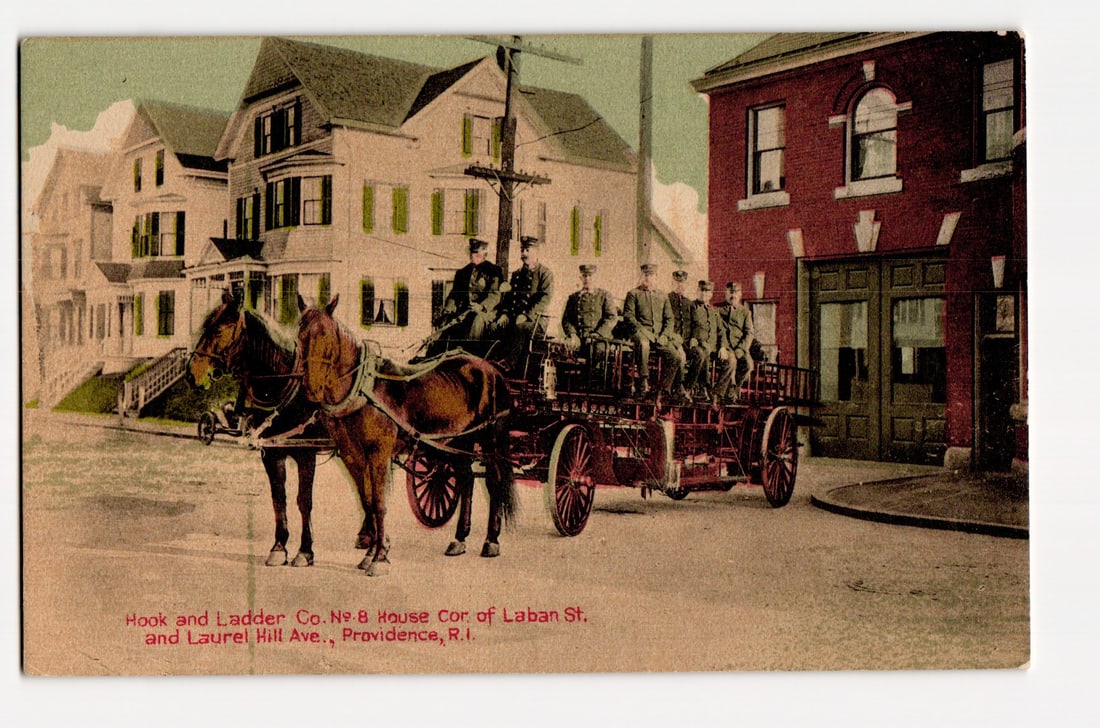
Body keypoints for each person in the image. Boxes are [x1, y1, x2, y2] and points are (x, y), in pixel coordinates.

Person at [621, 263, 685, 400]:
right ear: (641, 276)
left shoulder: (662, 296)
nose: (648, 278)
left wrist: (664, 335)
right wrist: (642, 330)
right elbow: (629, 316)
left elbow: (669, 319)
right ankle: (644, 380)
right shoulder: (633, 294)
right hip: (640, 333)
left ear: (656, 277)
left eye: (651, 275)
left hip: (659, 336)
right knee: (643, 344)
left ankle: (662, 389)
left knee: (676, 357)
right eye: (645, 275)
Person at [491, 236, 554, 367]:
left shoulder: (545, 273)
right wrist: (505, 313)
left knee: (519, 327)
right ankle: (492, 364)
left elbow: (544, 299)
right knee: (496, 325)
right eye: (522, 250)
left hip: (536, 320)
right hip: (516, 316)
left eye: (527, 250)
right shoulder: (517, 274)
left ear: (536, 252)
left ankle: (508, 364)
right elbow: (509, 298)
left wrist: (526, 315)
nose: (524, 254)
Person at [436, 238, 504, 346]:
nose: (473, 256)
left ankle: (469, 352)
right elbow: (454, 295)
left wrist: (481, 307)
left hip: (487, 313)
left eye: (477, 253)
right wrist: (447, 311)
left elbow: (494, 295)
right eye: (472, 253)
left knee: (477, 320)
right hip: (465, 312)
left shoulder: (493, 271)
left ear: (484, 254)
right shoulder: (462, 273)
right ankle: (435, 356)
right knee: (446, 323)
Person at [683, 280, 734, 403]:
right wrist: (694, 339)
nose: (704, 294)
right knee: (702, 352)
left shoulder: (714, 311)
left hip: (713, 349)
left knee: (731, 359)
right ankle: (692, 387)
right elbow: (686, 327)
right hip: (694, 346)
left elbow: (721, 331)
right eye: (702, 290)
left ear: (711, 294)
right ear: (697, 291)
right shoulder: (690, 307)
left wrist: (722, 347)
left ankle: (717, 392)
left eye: (707, 291)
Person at [715, 281, 755, 403]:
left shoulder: (745, 312)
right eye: (730, 292)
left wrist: (741, 349)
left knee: (749, 365)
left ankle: (734, 389)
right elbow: (717, 330)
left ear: (740, 294)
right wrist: (723, 346)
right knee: (731, 361)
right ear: (725, 293)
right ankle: (719, 393)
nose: (733, 295)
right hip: (724, 346)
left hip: (740, 346)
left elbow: (749, 333)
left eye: (736, 292)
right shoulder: (717, 310)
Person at [560, 264, 617, 348]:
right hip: (578, 337)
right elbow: (566, 319)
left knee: (596, 350)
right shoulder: (573, 297)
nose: (587, 279)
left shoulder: (604, 295)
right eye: (584, 276)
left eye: (590, 276)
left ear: (596, 278)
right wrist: (572, 334)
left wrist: (598, 334)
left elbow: (611, 317)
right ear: (581, 278)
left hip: (599, 338)